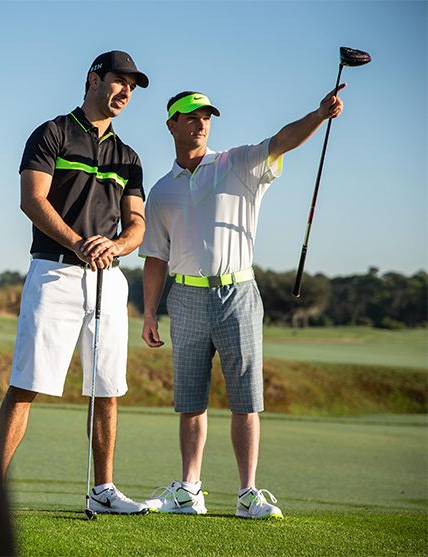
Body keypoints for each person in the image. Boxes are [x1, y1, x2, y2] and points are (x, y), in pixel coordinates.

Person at [140, 86, 346, 519]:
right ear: (171, 124)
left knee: (245, 400)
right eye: (191, 116)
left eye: (207, 116)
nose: (201, 123)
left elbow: (282, 139)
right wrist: (148, 312)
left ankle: (247, 493)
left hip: (239, 294)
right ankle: (189, 490)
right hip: (186, 296)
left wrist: (319, 114)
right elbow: (155, 257)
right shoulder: (160, 192)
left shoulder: (238, 162)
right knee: (190, 401)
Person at [0, 51, 149, 515]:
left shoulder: (129, 157)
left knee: (108, 388)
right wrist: (80, 242)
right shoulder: (53, 133)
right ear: (92, 79)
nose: (125, 92)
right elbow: (33, 199)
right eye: (118, 82)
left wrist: (117, 247)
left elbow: (136, 224)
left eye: (132, 87)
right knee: (27, 384)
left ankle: (103, 491)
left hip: (108, 278)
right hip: (55, 271)